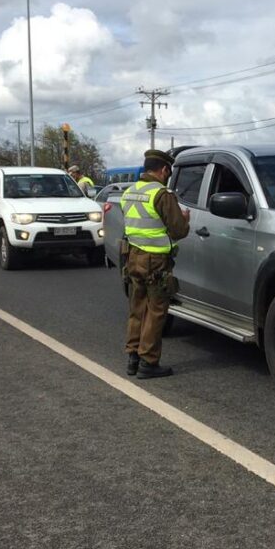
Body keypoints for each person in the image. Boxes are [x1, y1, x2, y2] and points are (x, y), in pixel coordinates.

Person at [121, 150, 190, 378]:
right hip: (156, 262)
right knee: (156, 311)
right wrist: (185, 220)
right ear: (164, 170)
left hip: (133, 257)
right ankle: (148, 362)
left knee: (137, 308)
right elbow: (178, 230)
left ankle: (132, 357)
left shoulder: (130, 192)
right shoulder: (161, 194)